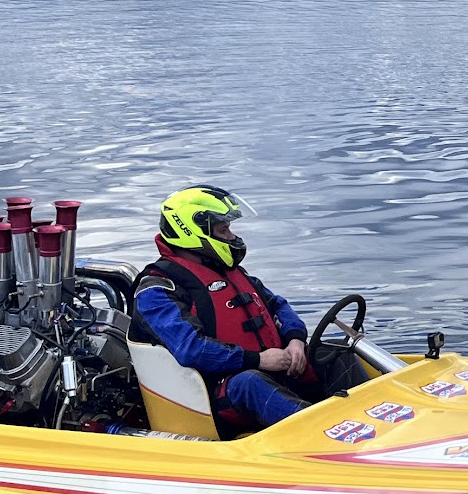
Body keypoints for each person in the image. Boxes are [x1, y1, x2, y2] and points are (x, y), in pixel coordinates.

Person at [131, 185, 354, 436]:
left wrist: (295, 340)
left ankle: (380, 415)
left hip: (273, 370)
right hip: (216, 395)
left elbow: (277, 305)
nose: (231, 237)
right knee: (250, 383)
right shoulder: (156, 289)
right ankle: (329, 434)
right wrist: (258, 360)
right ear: (192, 232)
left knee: (336, 352)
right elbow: (191, 348)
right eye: (223, 230)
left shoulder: (228, 272)